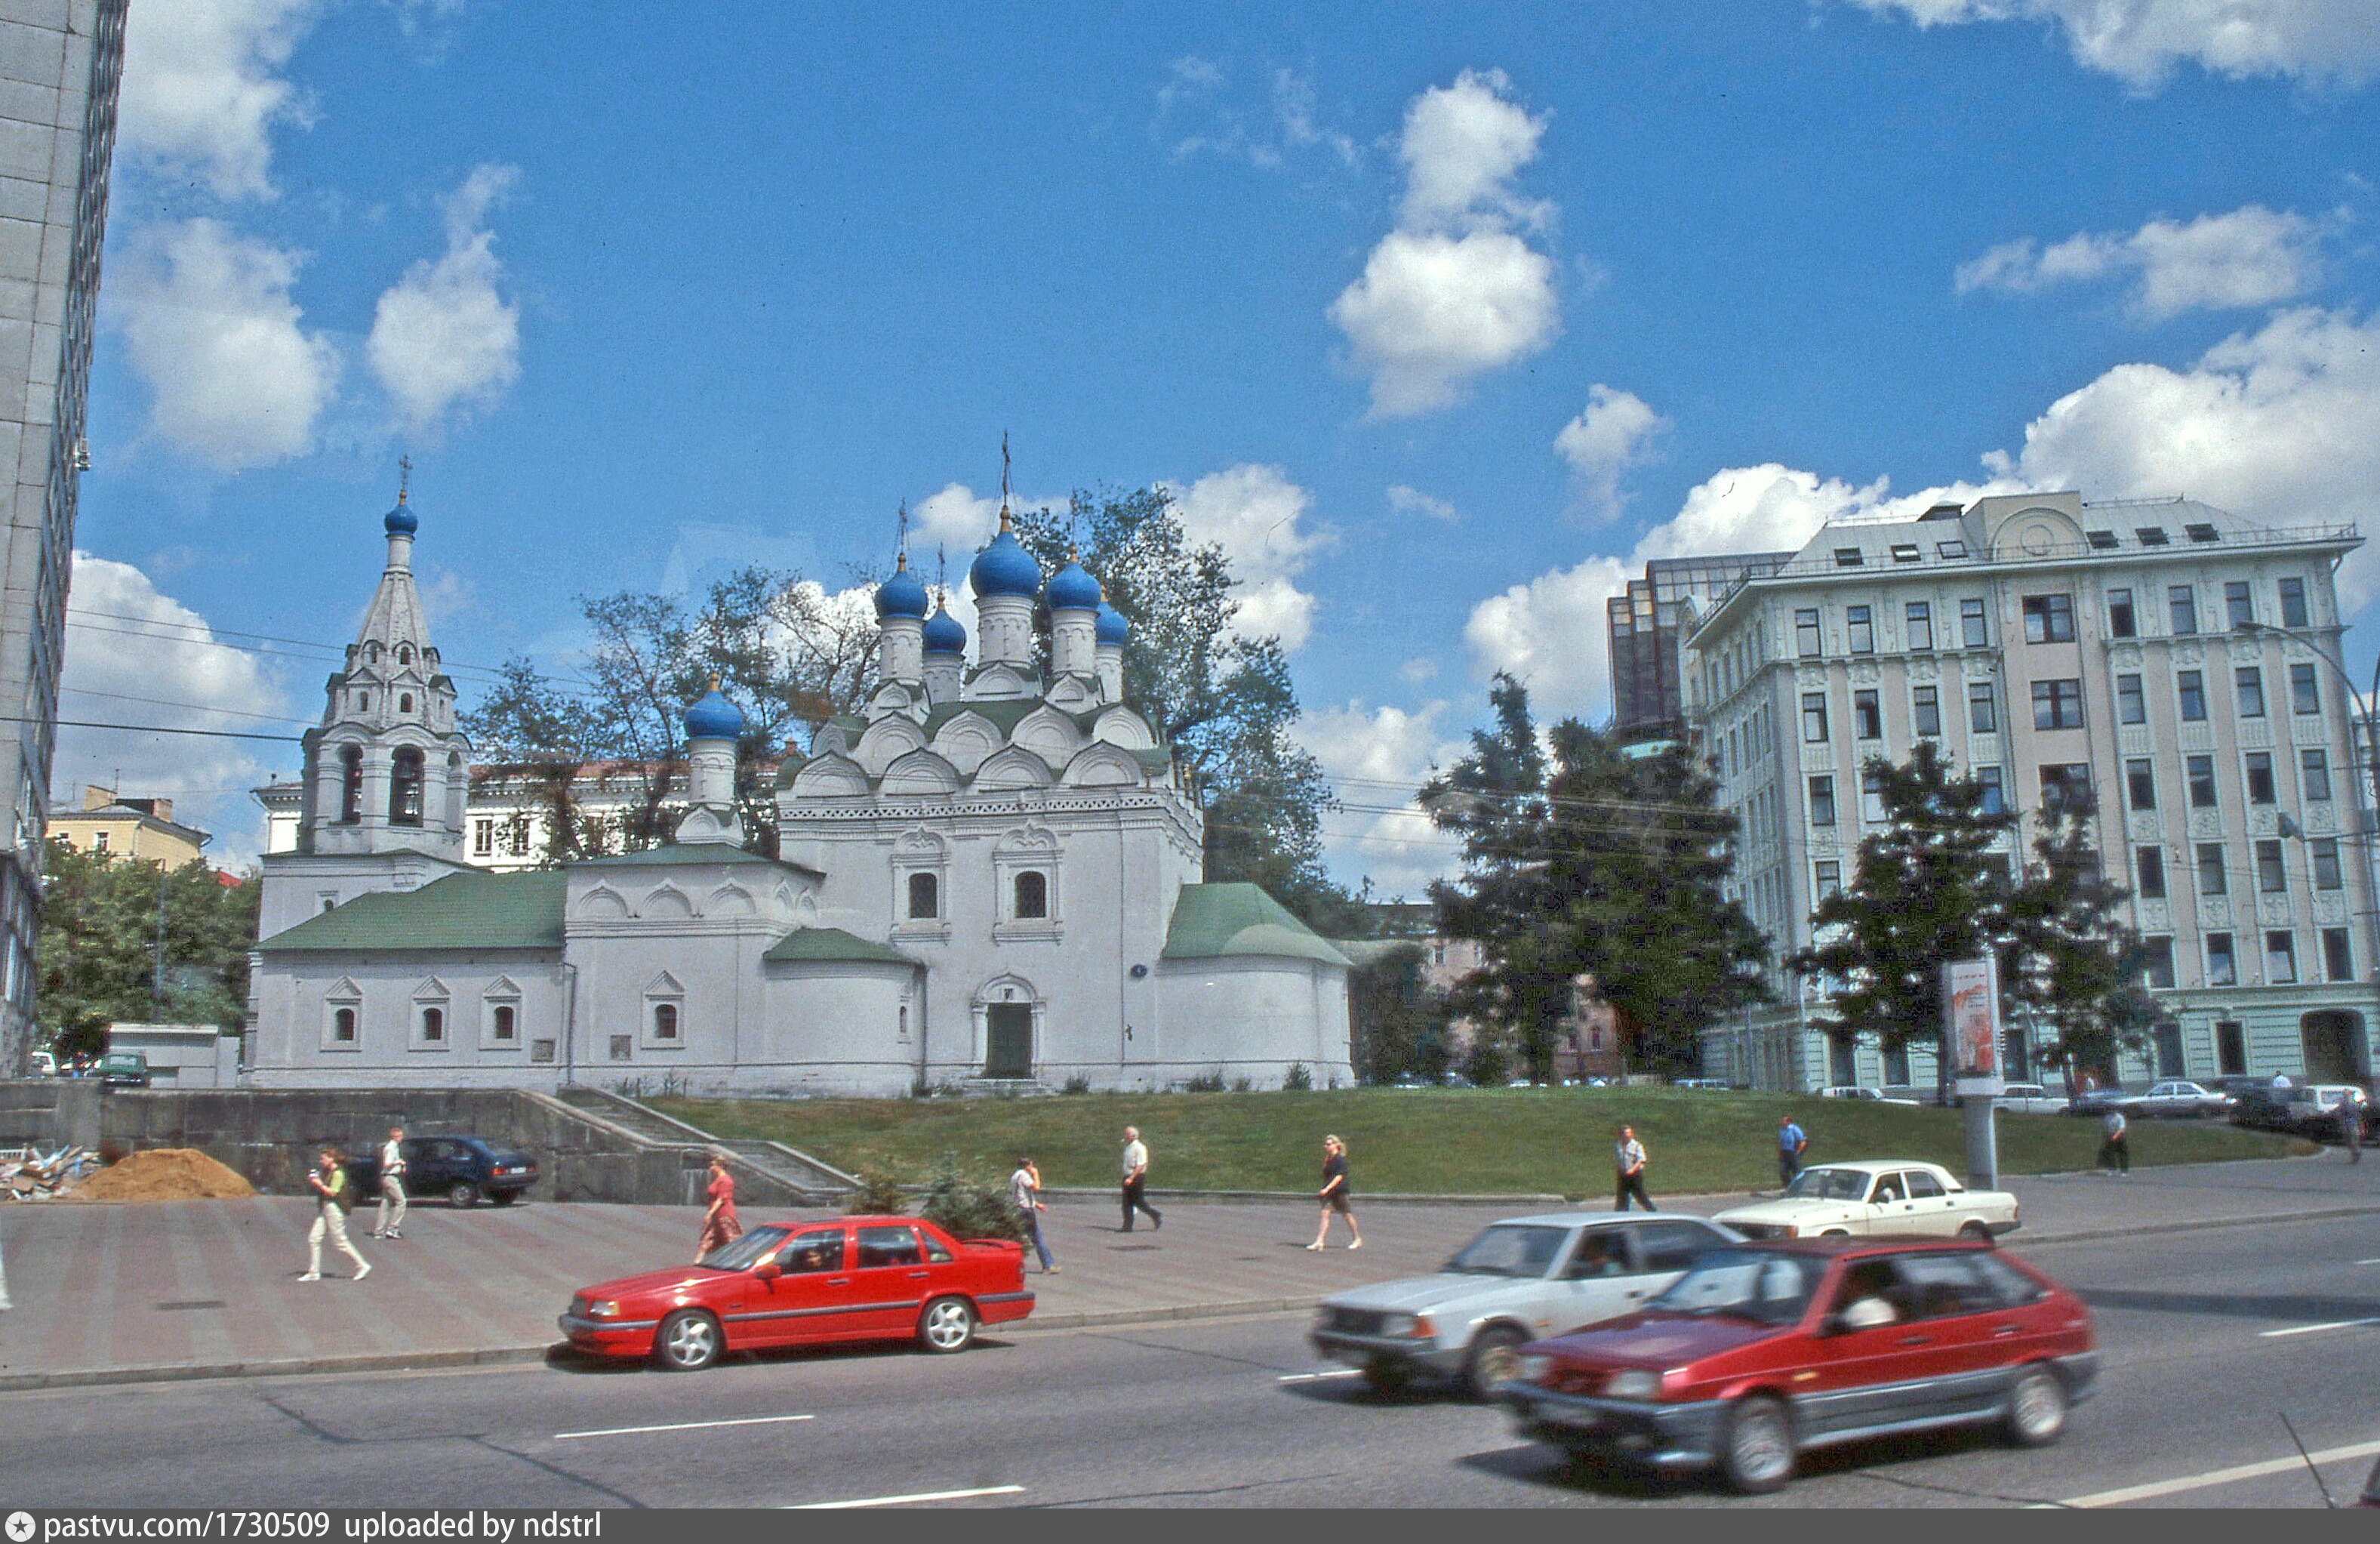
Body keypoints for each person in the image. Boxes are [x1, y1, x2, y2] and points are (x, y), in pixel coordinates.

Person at [302, 1145, 370, 1281]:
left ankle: (362, 1265)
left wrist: (319, 1184)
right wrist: (314, 1180)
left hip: (334, 1208)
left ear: (331, 1159)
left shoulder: (338, 1173)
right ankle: (314, 1272)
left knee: (340, 1241)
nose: (321, 1161)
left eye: (323, 1158)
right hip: (325, 1208)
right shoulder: (326, 1171)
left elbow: (332, 1192)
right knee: (314, 1238)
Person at [1307, 1134, 1362, 1251]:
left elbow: (1339, 1177)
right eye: (1325, 1144)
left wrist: (1327, 1189)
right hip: (1329, 1193)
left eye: (1329, 1144)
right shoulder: (1328, 1160)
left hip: (1340, 1191)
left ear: (1336, 1145)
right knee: (1325, 1215)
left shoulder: (1340, 1160)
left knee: (1347, 1215)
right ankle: (1320, 1241)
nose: (1326, 1146)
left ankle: (1357, 1239)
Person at [1009, 1156, 1058, 1273]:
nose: (1032, 1168)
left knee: (1017, 1237)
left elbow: (1021, 1195)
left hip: (1018, 1208)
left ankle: (1011, 1264)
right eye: (1031, 1165)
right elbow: (1036, 1187)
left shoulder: (1015, 1176)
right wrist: (1036, 1174)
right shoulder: (1024, 1175)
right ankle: (1048, 1265)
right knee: (1037, 1237)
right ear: (1028, 1166)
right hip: (1026, 1210)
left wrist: (1036, 1204)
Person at [694, 1154, 740, 1262]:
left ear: (720, 1166)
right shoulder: (718, 1180)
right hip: (715, 1218)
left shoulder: (726, 1181)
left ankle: (739, 1265)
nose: (710, 1168)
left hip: (724, 1215)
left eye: (713, 1165)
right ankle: (696, 1265)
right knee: (706, 1242)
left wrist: (709, 1213)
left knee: (731, 1241)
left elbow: (721, 1200)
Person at [1120, 1126, 1162, 1232]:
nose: (1125, 1137)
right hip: (1128, 1176)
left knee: (1139, 1202)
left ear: (1133, 1136)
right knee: (1127, 1203)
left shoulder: (1139, 1148)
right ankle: (1127, 1227)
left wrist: (1131, 1178)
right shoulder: (1128, 1147)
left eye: (1127, 1134)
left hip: (1136, 1177)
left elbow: (1141, 1165)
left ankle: (1155, 1215)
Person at [371, 1125, 408, 1239]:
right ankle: (393, 1229)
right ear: (395, 1136)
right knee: (402, 1201)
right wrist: (399, 1162)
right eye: (400, 1136)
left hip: (388, 1177)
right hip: (390, 1177)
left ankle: (379, 1231)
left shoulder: (393, 1147)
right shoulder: (391, 1147)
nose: (402, 1138)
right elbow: (387, 1163)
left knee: (385, 1204)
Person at [1613, 1124, 1655, 1211]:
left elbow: (1641, 1160)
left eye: (1629, 1133)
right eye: (1626, 1133)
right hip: (1623, 1175)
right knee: (1622, 1198)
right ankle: (1620, 1216)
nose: (1628, 1135)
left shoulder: (1636, 1145)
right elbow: (1618, 1159)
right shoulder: (1618, 1146)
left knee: (1640, 1196)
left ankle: (1653, 1211)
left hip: (1635, 1175)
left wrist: (1633, 1170)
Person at [1777, 1115, 1809, 1188]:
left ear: (1788, 1122)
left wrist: (1798, 1152)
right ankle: (1789, 1187)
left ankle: (1799, 1187)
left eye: (1784, 1121)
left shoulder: (1794, 1129)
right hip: (1784, 1152)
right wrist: (1780, 1153)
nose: (1782, 1122)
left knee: (1796, 1172)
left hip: (1793, 1152)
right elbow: (1781, 1142)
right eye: (1782, 1120)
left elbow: (1803, 1141)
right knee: (1783, 1172)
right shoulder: (1781, 1130)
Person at [2098, 1106, 2130, 1176]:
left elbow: (2122, 1129)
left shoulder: (2120, 1117)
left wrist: (2115, 1136)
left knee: (2122, 1154)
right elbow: (2106, 1127)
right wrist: (2107, 1136)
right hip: (2110, 1135)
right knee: (2109, 1153)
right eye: (2110, 1110)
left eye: (2113, 1110)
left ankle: (2124, 1171)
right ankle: (2111, 1169)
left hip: (2119, 1136)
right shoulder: (2107, 1117)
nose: (2111, 1111)